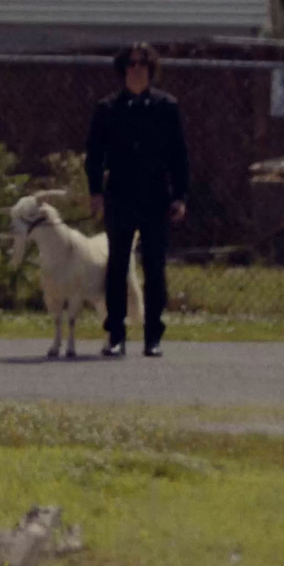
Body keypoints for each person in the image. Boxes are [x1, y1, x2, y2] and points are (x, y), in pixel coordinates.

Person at [85, 42, 190, 357]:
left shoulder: (166, 107)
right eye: (131, 64)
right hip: (120, 196)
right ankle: (115, 334)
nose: (137, 69)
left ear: (151, 69)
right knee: (117, 265)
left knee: (155, 268)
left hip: (156, 198)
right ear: (122, 69)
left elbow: (179, 156)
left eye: (143, 64)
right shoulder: (107, 109)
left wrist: (181, 196)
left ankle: (153, 336)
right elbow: (94, 156)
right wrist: (95, 192)